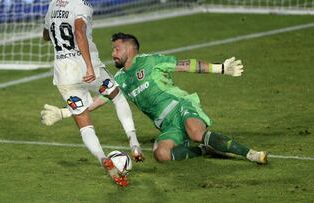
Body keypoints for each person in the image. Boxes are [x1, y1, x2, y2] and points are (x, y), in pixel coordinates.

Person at [43, 32, 268, 164]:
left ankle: (250, 154)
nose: (112, 54)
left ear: (130, 49)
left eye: (116, 49)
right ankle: (205, 149)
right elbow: (98, 101)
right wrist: (64, 113)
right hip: (167, 125)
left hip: (180, 107)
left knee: (196, 132)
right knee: (161, 154)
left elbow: (186, 65)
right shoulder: (120, 78)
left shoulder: (151, 62)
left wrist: (220, 69)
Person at [42, 1, 143, 187]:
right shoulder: (82, 4)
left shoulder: (52, 5)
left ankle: (102, 158)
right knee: (117, 97)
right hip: (86, 67)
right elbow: (79, 32)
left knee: (85, 126)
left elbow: (46, 35)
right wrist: (89, 66)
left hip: (64, 74)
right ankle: (134, 142)